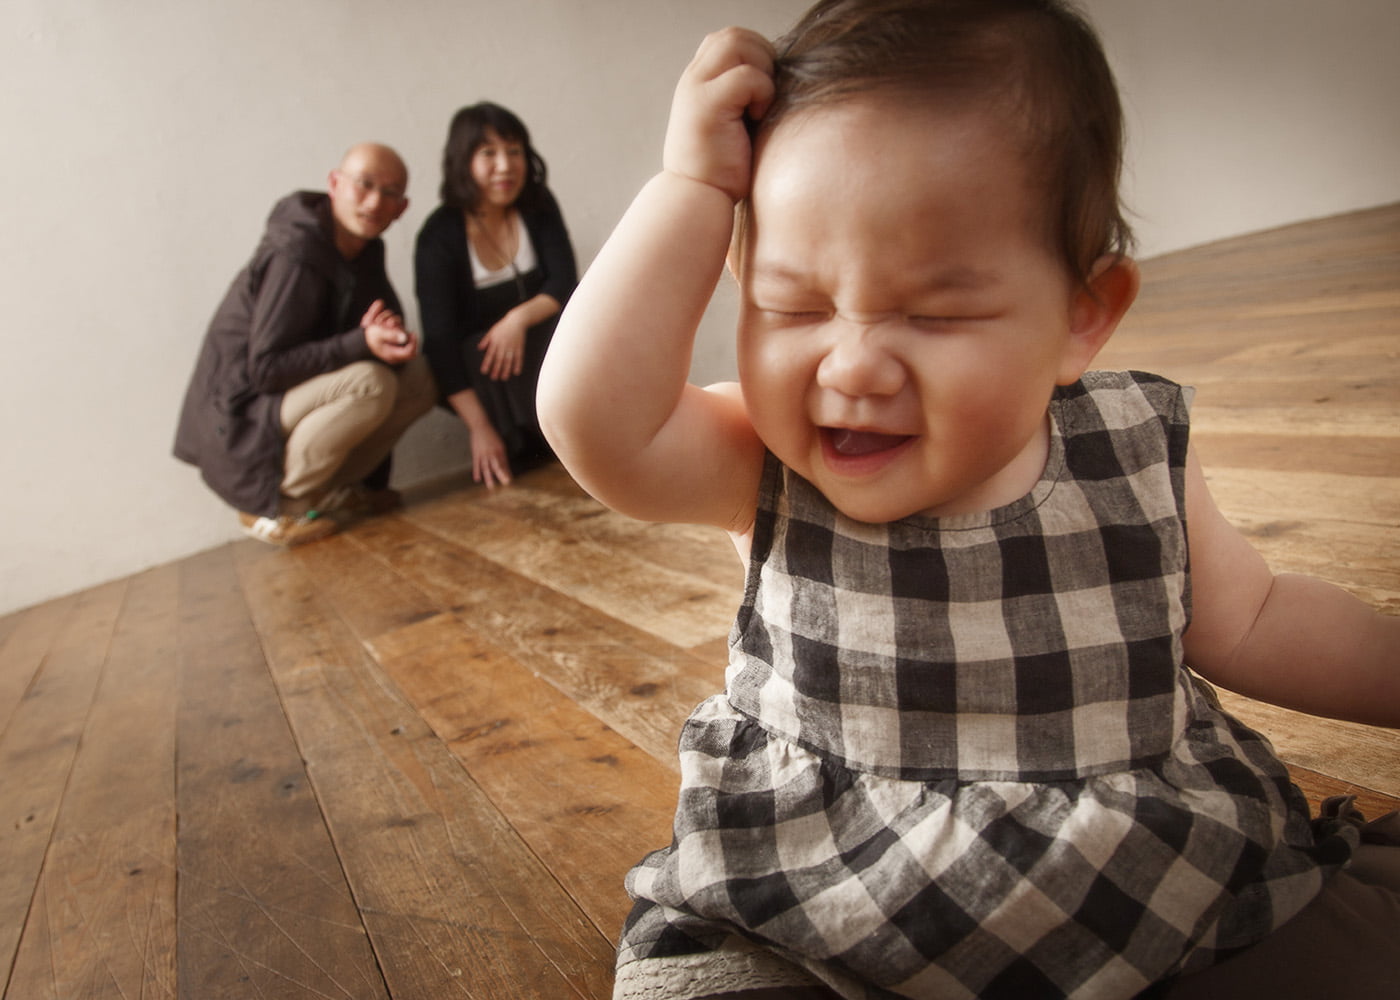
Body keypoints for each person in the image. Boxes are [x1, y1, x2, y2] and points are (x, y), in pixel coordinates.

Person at [536, 2, 1400, 997]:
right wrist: (692, 190)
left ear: (1081, 316)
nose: (851, 365)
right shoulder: (760, 458)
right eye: (793, 305)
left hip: (1137, 892)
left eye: (935, 312)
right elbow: (593, 420)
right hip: (815, 906)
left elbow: (1257, 619)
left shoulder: (1126, 448)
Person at [175, 142, 435, 546]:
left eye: (389, 193)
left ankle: (336, 492)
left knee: (420, 377)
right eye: (364, 185)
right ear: (334, 184)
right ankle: (276, 508)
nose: (374, 202)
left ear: (402, 208)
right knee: (370, 383)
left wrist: (388, 340)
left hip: (286, 399)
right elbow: (266, 369)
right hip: (241, 415)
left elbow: (375, 331)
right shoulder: (295, 254)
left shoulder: (365, 250)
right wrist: (359, 343)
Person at [415, 102, 578, 489]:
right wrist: (479, 429)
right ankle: (526, 443)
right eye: (488, 153)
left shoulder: (538, 205)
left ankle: (573, 433)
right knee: (476, 350)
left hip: (546, 357)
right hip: (489, 381)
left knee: (573, 326)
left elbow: (565, 283)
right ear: (462, 161)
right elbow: (440, 341)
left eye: (514, 151)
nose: (505, 166)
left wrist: (517, 320)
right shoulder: (439, 236)